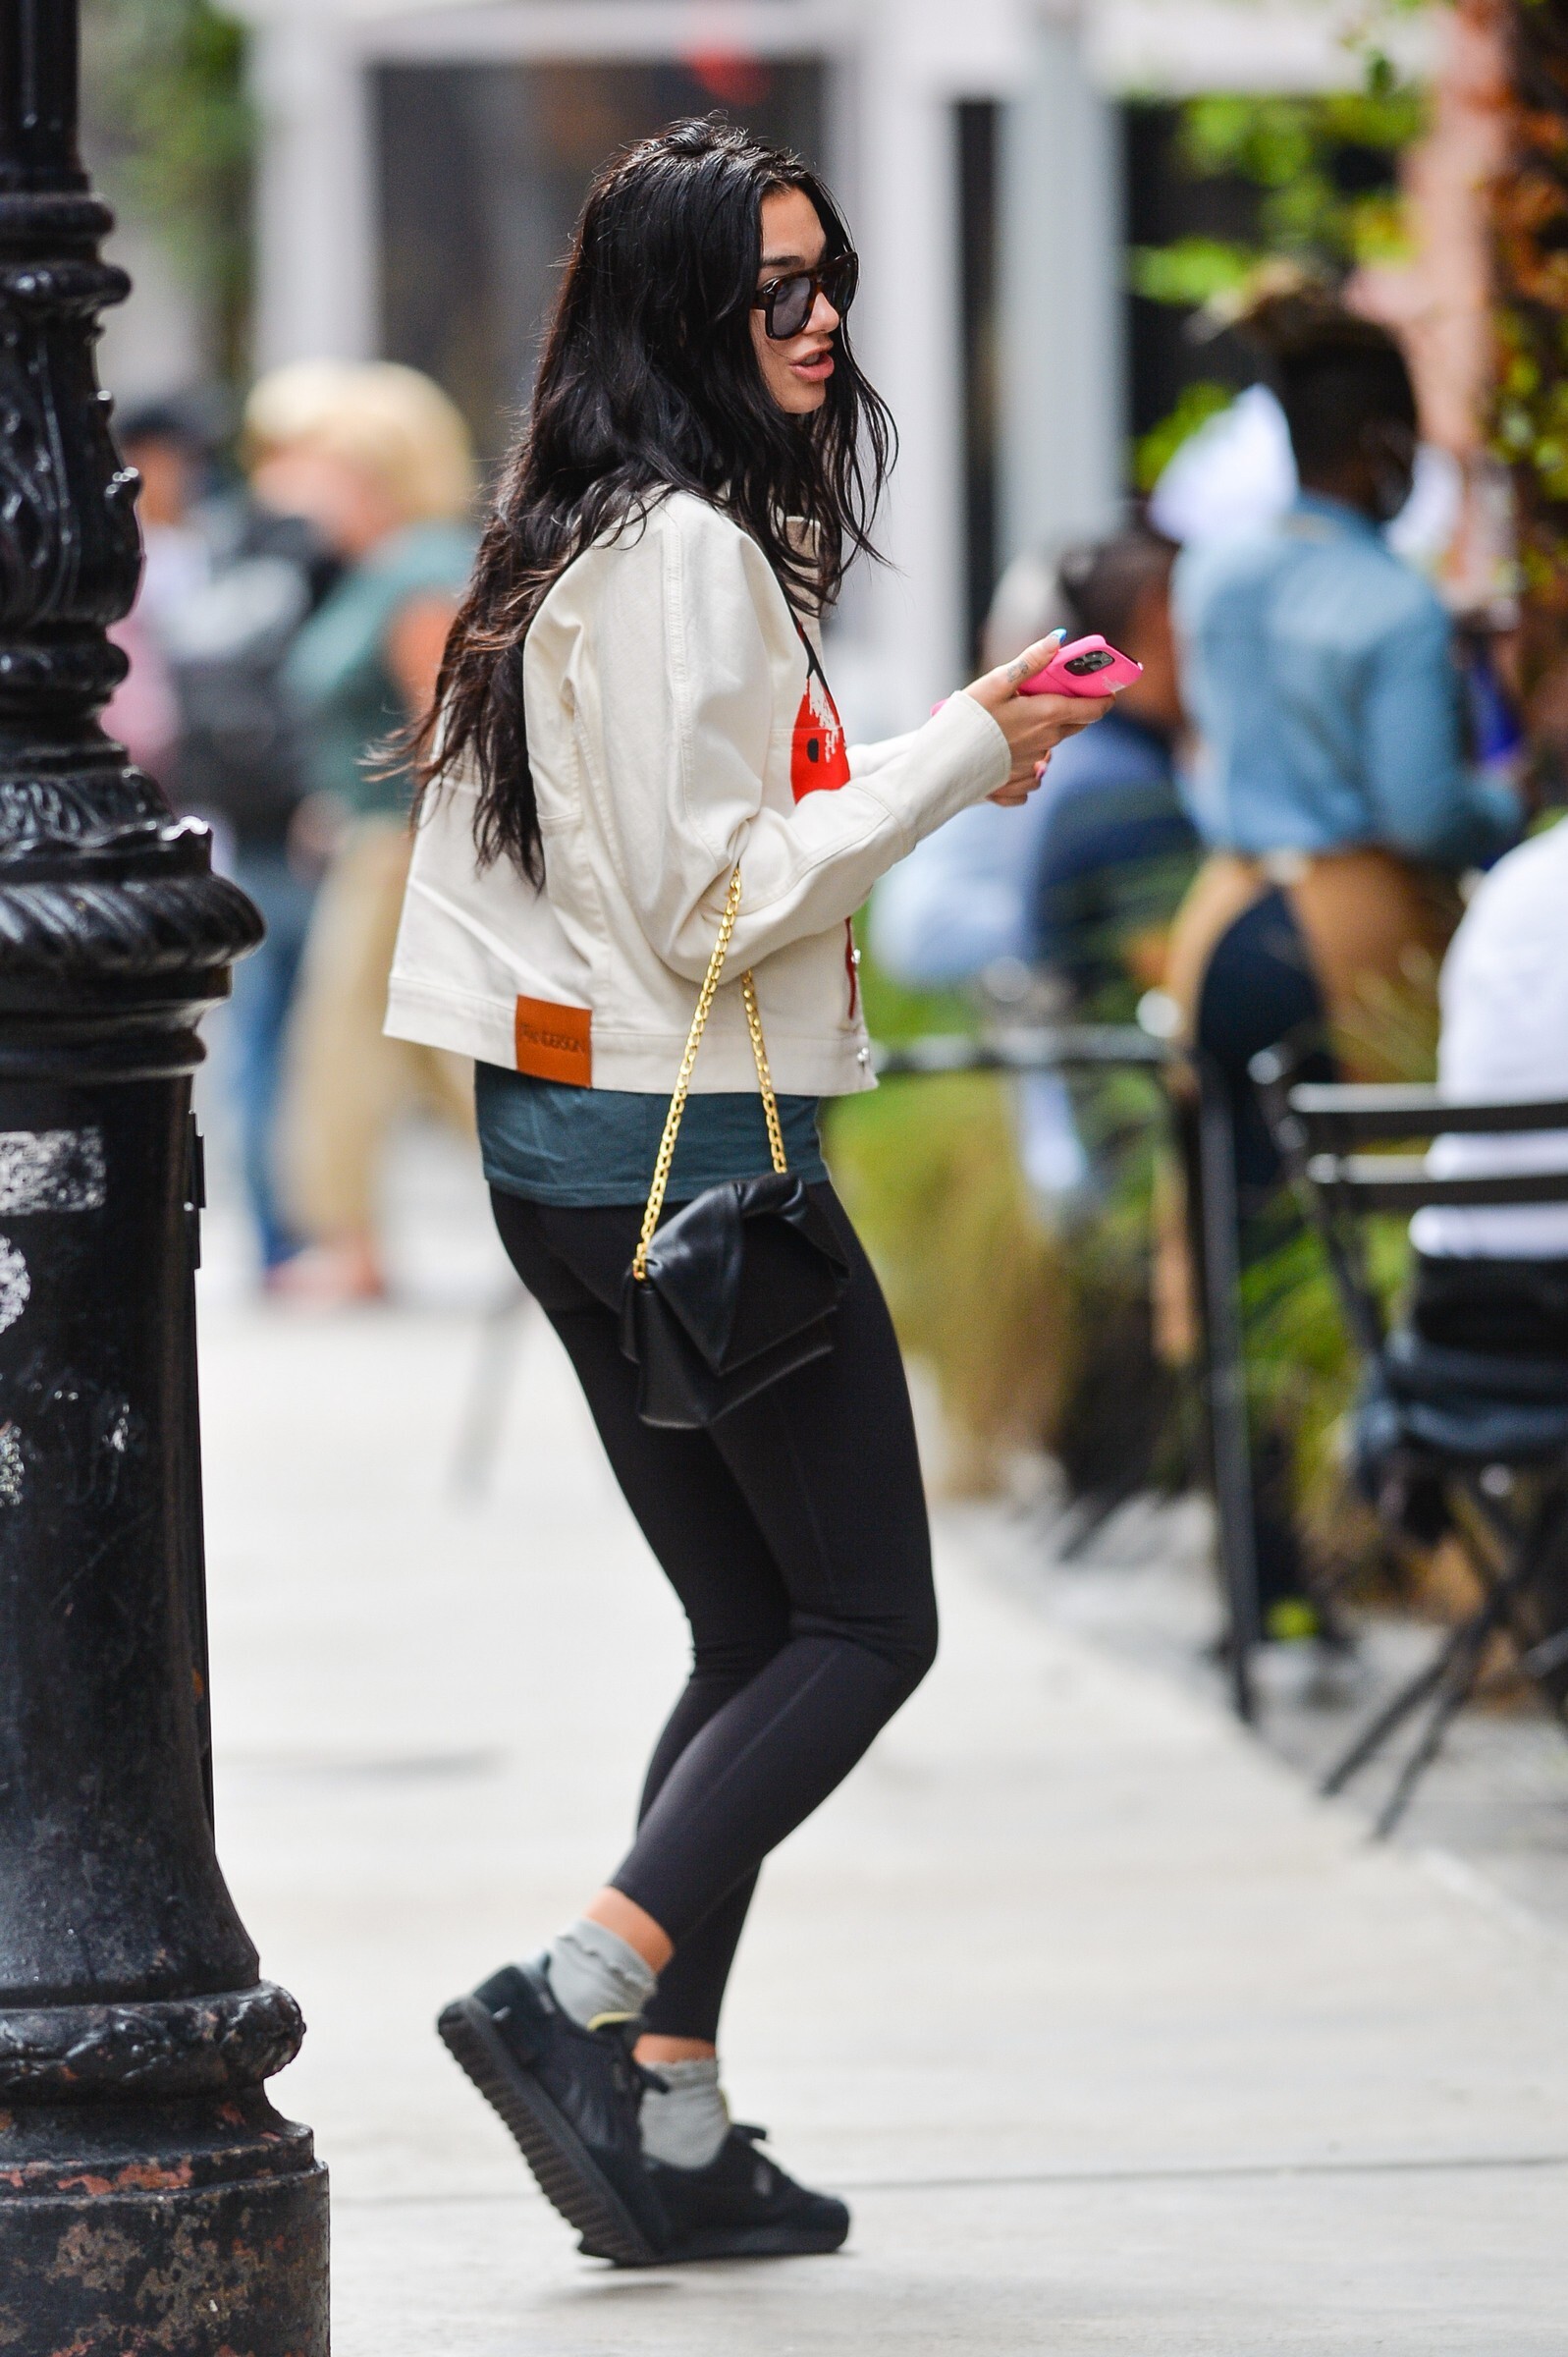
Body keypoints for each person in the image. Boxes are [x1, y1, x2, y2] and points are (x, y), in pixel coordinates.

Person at [384, 118, 1111, 2268]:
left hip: (567, 1150)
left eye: (830, 277)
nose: (816, 320)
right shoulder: (682, 551)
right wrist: (957, 753)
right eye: (770, 288)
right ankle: (578, 1994)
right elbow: (719, 903)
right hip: (690, 1162)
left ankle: (673, 2123)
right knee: (868, 1621)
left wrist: (938, 749)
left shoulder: (564, 529)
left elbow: (658, 868)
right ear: (675, 309)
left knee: (748, 1624)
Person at [1167, 298, 1523, 1633]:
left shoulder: (1214, 573)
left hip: (1221, 922)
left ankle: (1261, 1571)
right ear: (1381, 443)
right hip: (1348, 930)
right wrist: (1508, 800)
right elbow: (1421, 813)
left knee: (1230, 1241)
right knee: (1369, 1246)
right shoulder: (1394, 605)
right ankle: (1395, 1549)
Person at [870, 525, 1195, 1196]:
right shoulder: (1113, 785)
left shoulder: (1097, 764)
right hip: (1128, 1143)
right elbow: (1171, 973)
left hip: (1078, 1129)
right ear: (1156, 616)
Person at [248, 361, 479, 1302]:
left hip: (404, 850)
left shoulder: (421, 570)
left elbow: (444, 728)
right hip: (378, 840)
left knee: (353, 1050)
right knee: (435, 1055)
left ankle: (350, 1245)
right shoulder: (382, 568)